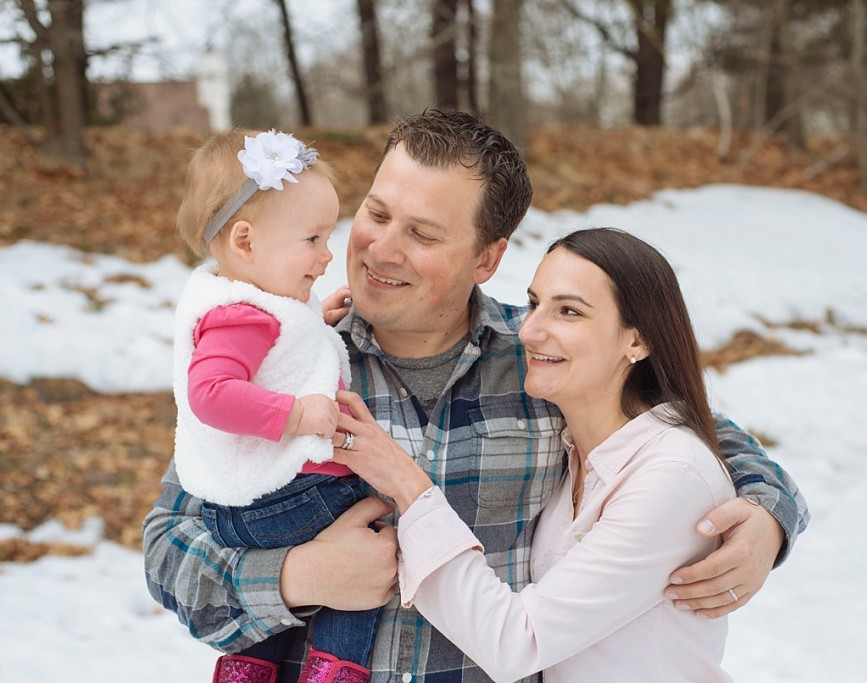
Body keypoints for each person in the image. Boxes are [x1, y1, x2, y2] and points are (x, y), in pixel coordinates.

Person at [143, 110, 809, 683]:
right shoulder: (288, 359)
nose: (381, 249)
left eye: (424, 234)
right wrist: (298, 577)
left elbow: (694, 435)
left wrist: (766, 516)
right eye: (376, 214)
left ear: (486, 259)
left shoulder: (547, 359)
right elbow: (168, 547)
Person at [333, 227, 736, 681]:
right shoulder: (575, 450)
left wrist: (406, 484)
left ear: (637, 342)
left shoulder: (671, 476)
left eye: (568, 311)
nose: (529, 330)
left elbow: (517, 643)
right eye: (534, 303)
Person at [171, 129, 378, 683]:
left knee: (322, 551)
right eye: (312, 238)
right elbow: (209, 393)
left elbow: (278, 350)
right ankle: (337, 666)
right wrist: (298, 415)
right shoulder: (243, 316)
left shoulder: (255, 302)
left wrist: (317, 318)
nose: (327, 253)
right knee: (372, 530)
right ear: (245, 241)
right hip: (278, 501)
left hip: (258, 506)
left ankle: (250, 663)